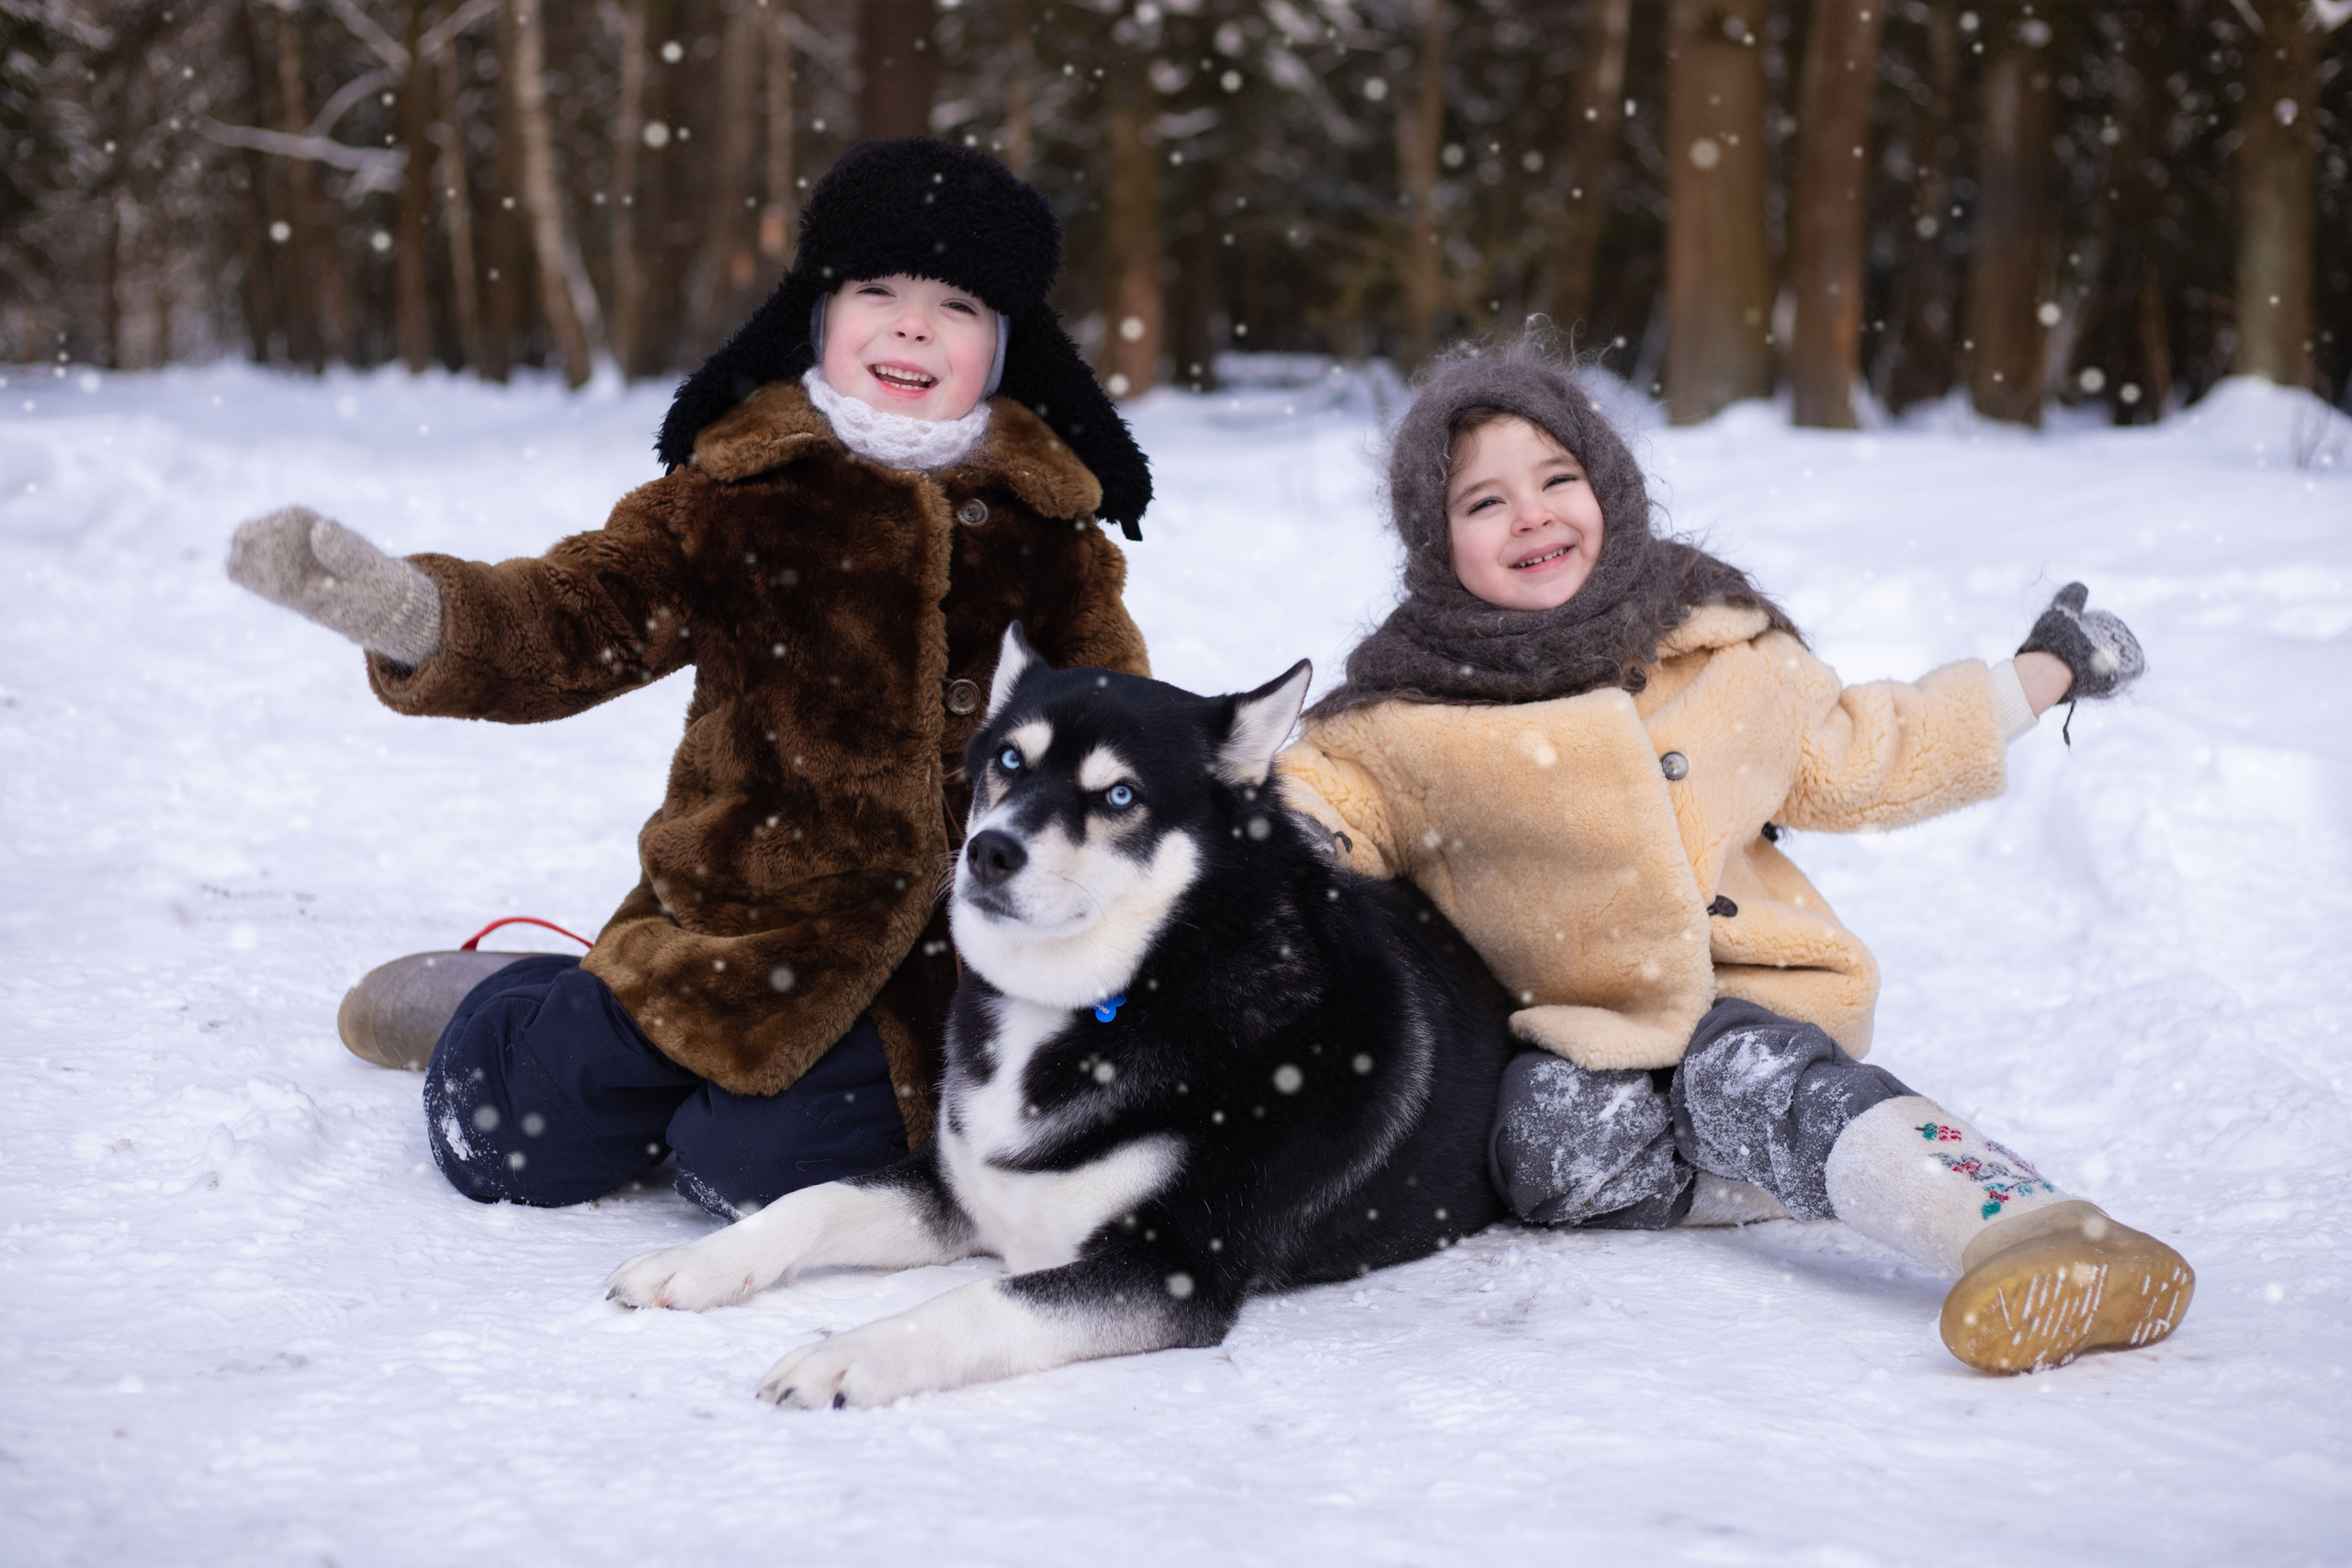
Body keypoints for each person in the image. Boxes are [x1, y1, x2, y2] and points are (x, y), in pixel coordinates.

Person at [225, 139, 1154, 1220]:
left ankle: (687, 1088)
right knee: (513, 1150)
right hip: (713, 923)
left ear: (1003, 346)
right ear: (818, 314)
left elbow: (1117, 725)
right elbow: (575, 616)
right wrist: (413, 613)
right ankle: (515, 1005)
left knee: (762, 1173)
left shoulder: (1048, 534)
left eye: (957, 304)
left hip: (916, 967)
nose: (912, 324)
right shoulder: (732, 500)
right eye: (878, 291)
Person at [1276, 331, 2190, 1374]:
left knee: (1744, 1075)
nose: (1530, 513)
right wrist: (1278, 836)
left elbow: (1874, 749)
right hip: (1593, 1032)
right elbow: (1321, 792)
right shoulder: (1412, 717)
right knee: (1539, 1153)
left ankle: (2028, 1227)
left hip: (1758, 991)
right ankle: (1801, 1162)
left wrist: (2039, 675)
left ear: (1609, 492)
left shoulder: (1722, 655)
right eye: (1483, 502)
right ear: (1437, 545)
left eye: (1556, 479)